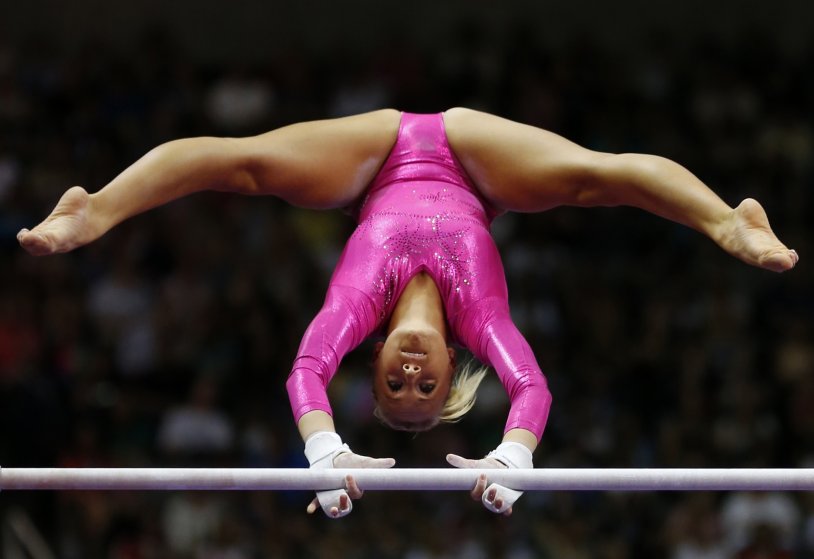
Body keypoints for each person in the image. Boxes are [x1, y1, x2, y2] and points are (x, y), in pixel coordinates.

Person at [17, 108, 799, 519]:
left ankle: (96, 210)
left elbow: (306, 368)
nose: (417, 379)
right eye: (430, 392)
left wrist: (323, 449)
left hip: (373, 160)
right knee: (594, 179)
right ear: (455, 368)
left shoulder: (357, 306)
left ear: (379, 362)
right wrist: (512, 456)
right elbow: (532, 388)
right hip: (479, 167)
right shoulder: (477, 310)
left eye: (399, 390)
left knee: (244, 164)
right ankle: (730, 220)